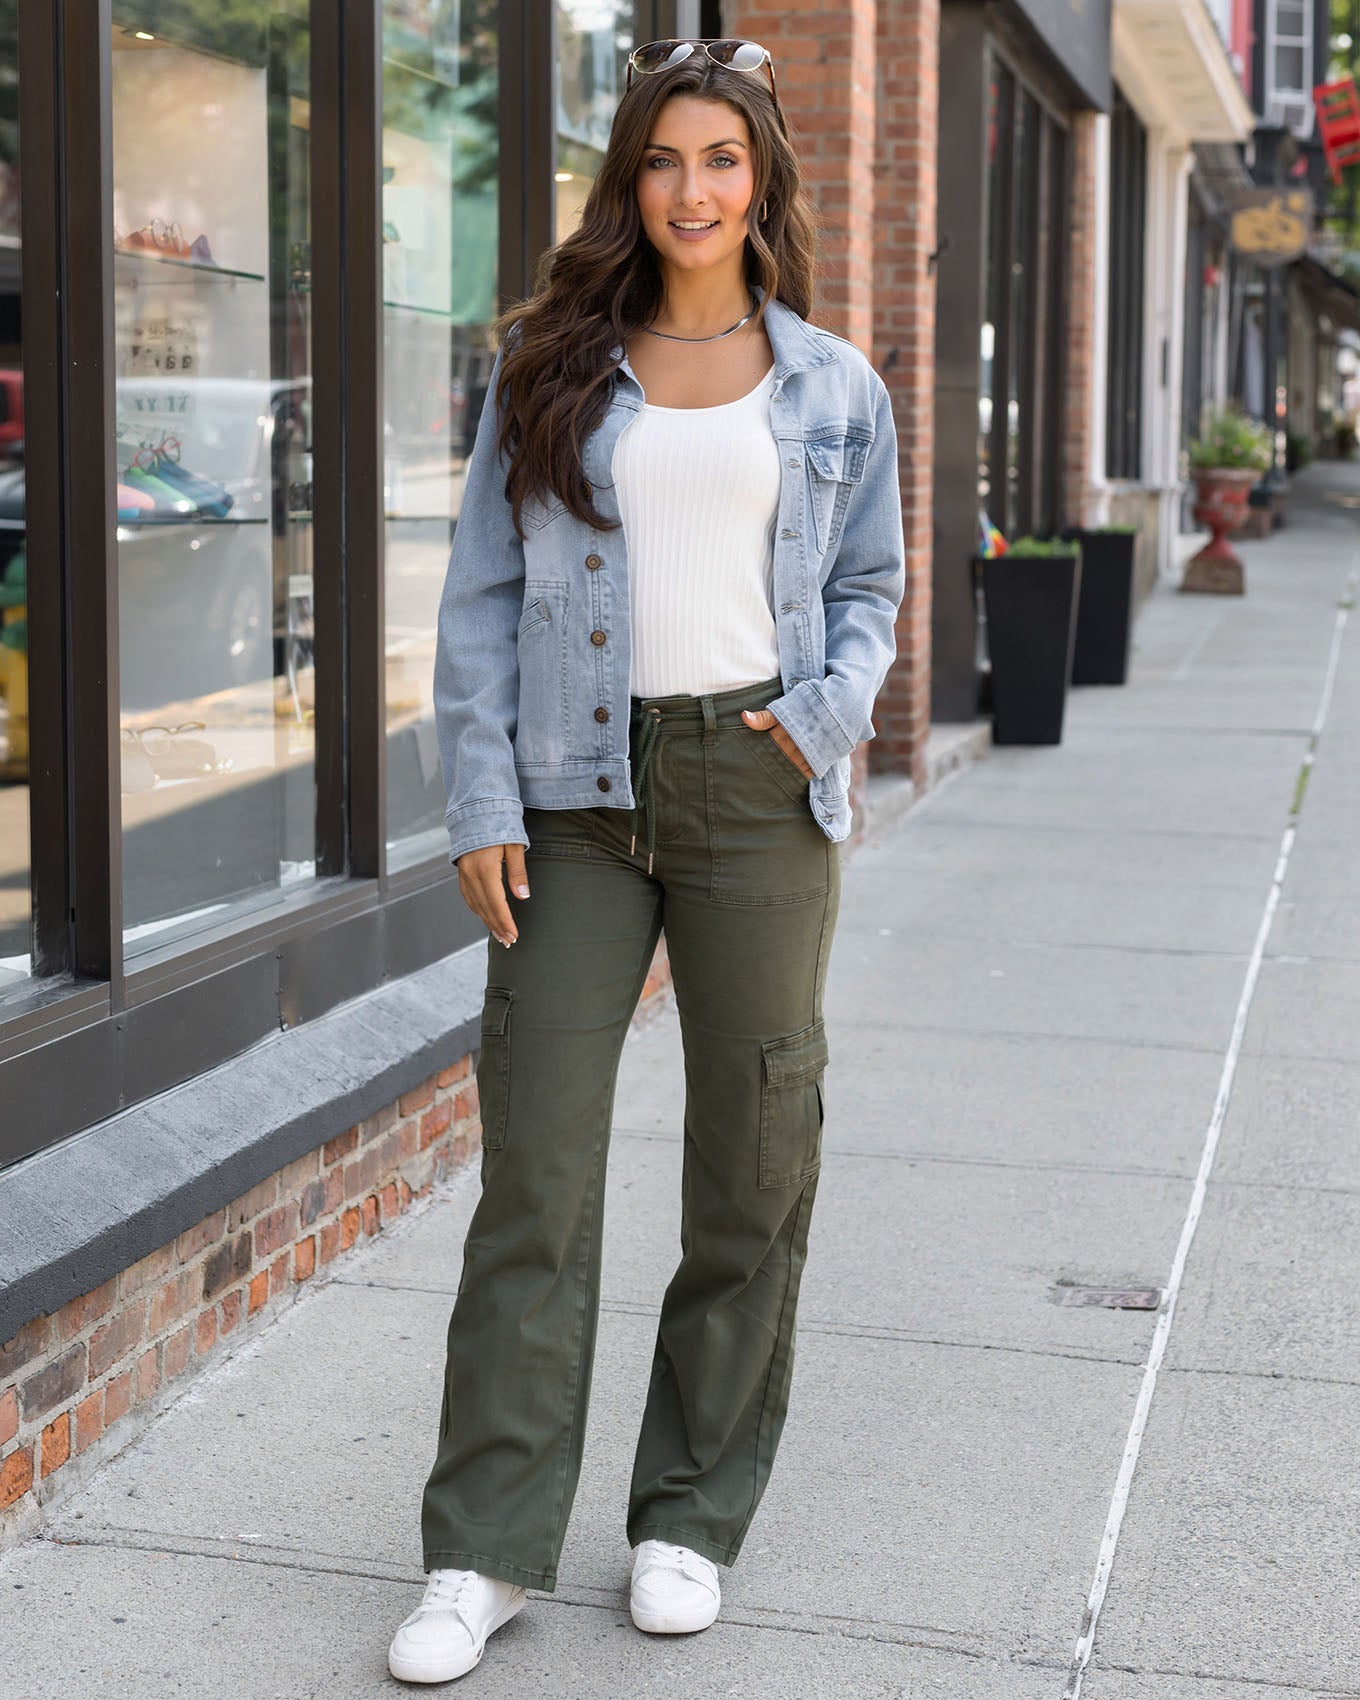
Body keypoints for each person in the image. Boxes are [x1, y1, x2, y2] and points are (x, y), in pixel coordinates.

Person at [387, 37, 906, 1686]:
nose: (692, 191)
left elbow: (872, 591)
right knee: (535, 1170)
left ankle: (688, 1512)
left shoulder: (831, 385)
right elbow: (476, 596)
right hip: (571, 797)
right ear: (632, 180)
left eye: (723, 162)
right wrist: (478, 800)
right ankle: (483, 1550)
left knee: (752, 1159)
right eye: (665, 161)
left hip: (757, 786)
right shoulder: (552, 363)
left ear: (762, 185)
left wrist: (822, 720)